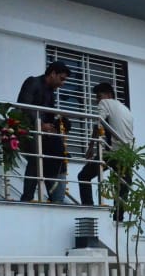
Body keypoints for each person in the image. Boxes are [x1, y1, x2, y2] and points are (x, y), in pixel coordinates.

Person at [17, 61, 70, 203]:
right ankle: (27, 198)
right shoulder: (32, 82)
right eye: (61, 79)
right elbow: (23, 106)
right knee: (37, 157)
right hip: (26, 131)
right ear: (52, 74)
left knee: (56, 152)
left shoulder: (51, 92)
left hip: (42, 134)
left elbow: (49, 116)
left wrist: (58, 124)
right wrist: (40, 125)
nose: (63, 83)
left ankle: (55, 197)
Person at [77, 82, 134, 214]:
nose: (97, 101)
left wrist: (91, 146)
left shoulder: (105, 103)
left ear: (109, 95)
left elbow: (98, 124)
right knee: (123, 184)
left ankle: (88, 209)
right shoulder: (125, 109)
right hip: (127, 154)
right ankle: (118, 218)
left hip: (113, 152)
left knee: (83, 176)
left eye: (99, 96)